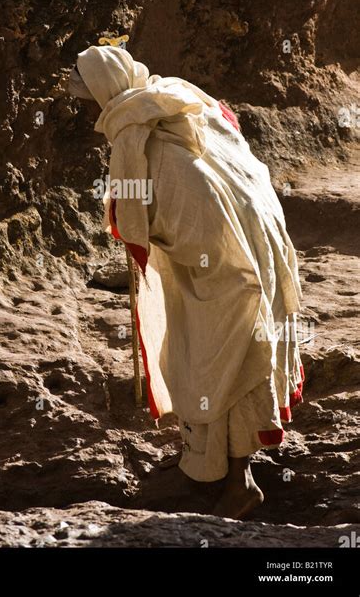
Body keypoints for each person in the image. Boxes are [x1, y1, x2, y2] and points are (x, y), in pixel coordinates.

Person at [66, 45, 304, 520]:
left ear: (103, 93)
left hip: (231, 269)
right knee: (216, 363)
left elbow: (139, 218)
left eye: (87, 100)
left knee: (218, 366)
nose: (85, 111)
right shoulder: (168, 103)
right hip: (253, 247)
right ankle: (225, 474)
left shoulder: (137, 137)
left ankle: (239, 485)